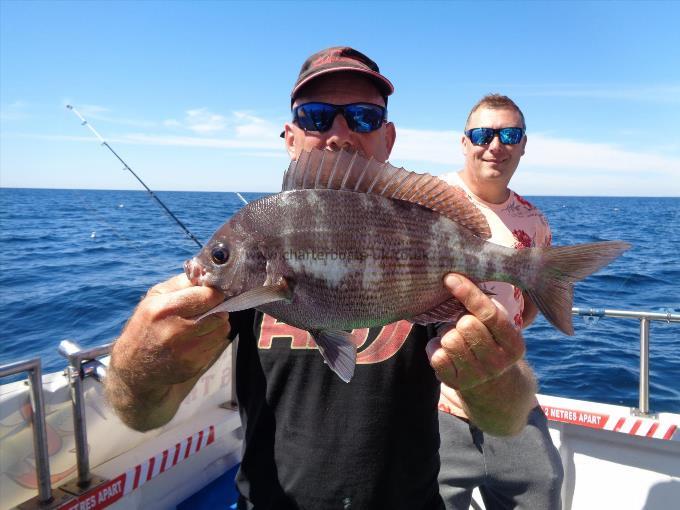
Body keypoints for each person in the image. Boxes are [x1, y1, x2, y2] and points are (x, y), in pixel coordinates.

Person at [104, 48, 538, 509]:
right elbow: (143, 416)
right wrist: (141, 364)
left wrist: (494, 377)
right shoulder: (242, 264)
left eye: (364, 118)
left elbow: (506, 421)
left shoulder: (425, 237)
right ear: (290, 138)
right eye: (315, 117)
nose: (338, 135)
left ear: (388, 139)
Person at [437, 94, 564, 509]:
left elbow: (525, 310)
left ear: (524, 144)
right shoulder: (426, 200)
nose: (496, 145)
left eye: (510, 135)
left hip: (505, 390)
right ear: (464, 142)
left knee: (540, 487)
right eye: (482, 134)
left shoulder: (534, 222)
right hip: (434, 400)